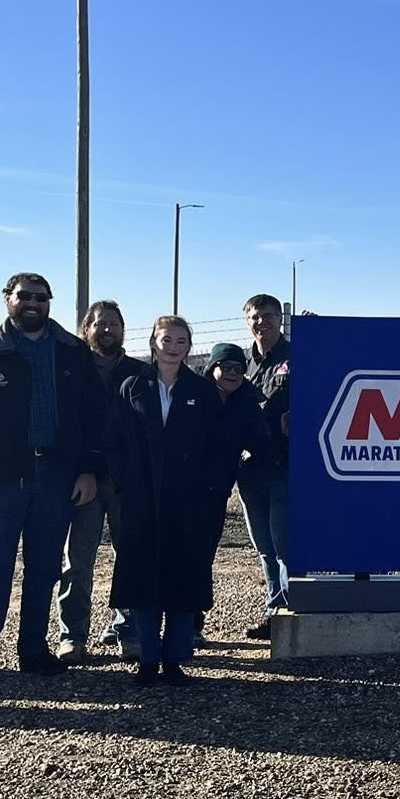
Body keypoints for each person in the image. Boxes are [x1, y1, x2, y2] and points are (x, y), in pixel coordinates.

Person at [0, 272, 107, 691]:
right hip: (1, 480)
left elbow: (92, 416)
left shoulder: (72, 350)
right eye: (25, 296)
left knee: (44, 569)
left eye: (41, 297)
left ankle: (34, 650)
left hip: (56, 476)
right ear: (7, 299)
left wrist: (88, 469)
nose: (33, 304)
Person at [108, 316, 222, 686]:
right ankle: (147, 658)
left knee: (182, 580)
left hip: (187, 502)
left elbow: (215, 445)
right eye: (166, 339)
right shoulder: (131, 387)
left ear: (189, 346)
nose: (173, 347)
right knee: (143, 583)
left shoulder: (201, 390)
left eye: (181, 341)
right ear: (153, 343)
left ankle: (175, 659)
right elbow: (116, 439)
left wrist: (207, 488)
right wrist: (125, 478)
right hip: (142, 501)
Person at [56, 300, 144, 663]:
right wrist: (81, 470)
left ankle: (130, 630)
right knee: (77, 561)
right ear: (86, 330)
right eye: (100, 324)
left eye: (114, 324)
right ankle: (72, 635)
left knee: (133, 557)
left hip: (126, 481)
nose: (107, 330)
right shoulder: (71, 371)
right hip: (83, 480)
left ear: (123, 330)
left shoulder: (140, 373)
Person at [206, 342, 271, 634]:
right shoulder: (194, 396)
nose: (232, 373)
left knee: (203, 557)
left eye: (238, 368)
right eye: (226, 367)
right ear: (212, 368)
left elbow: (261, 444)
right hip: (182, 490)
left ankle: (192, 624)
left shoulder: (247, 403)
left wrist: (249, 456)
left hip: (217, 491)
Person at [239, 293, 292, 638]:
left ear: (280, 319)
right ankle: (274, 610)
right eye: (256, 317)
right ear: (248, 322)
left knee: (284, 543)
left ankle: (290, 612)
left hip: (285, 465)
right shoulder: (240, 364)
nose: (262, 322)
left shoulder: (299, 357)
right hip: (249, 469)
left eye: (269, 315)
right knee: (264, 546)